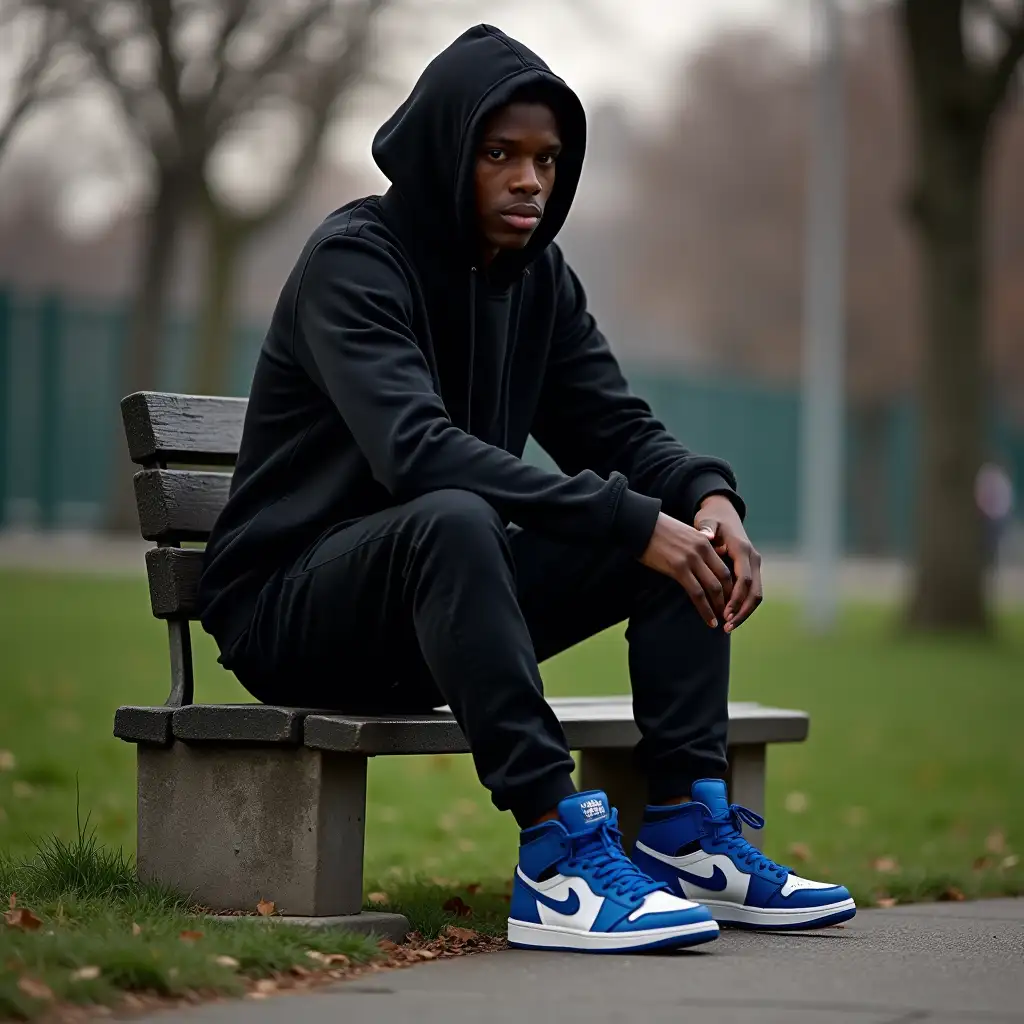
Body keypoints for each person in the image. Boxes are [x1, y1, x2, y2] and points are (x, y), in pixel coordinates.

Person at [197, 24, 854, 953]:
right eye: (499, 153)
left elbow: (619, 431)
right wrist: (628, 522)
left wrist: (709, 497)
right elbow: (417, 454)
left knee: (674, 537)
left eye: (547, 159)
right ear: (447, 151)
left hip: (437, 604)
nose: (529, 181)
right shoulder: (354, 263)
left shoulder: (538, 279)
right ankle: (556, 853)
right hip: (293, 612)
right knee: (457, 518)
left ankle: (683, 836)